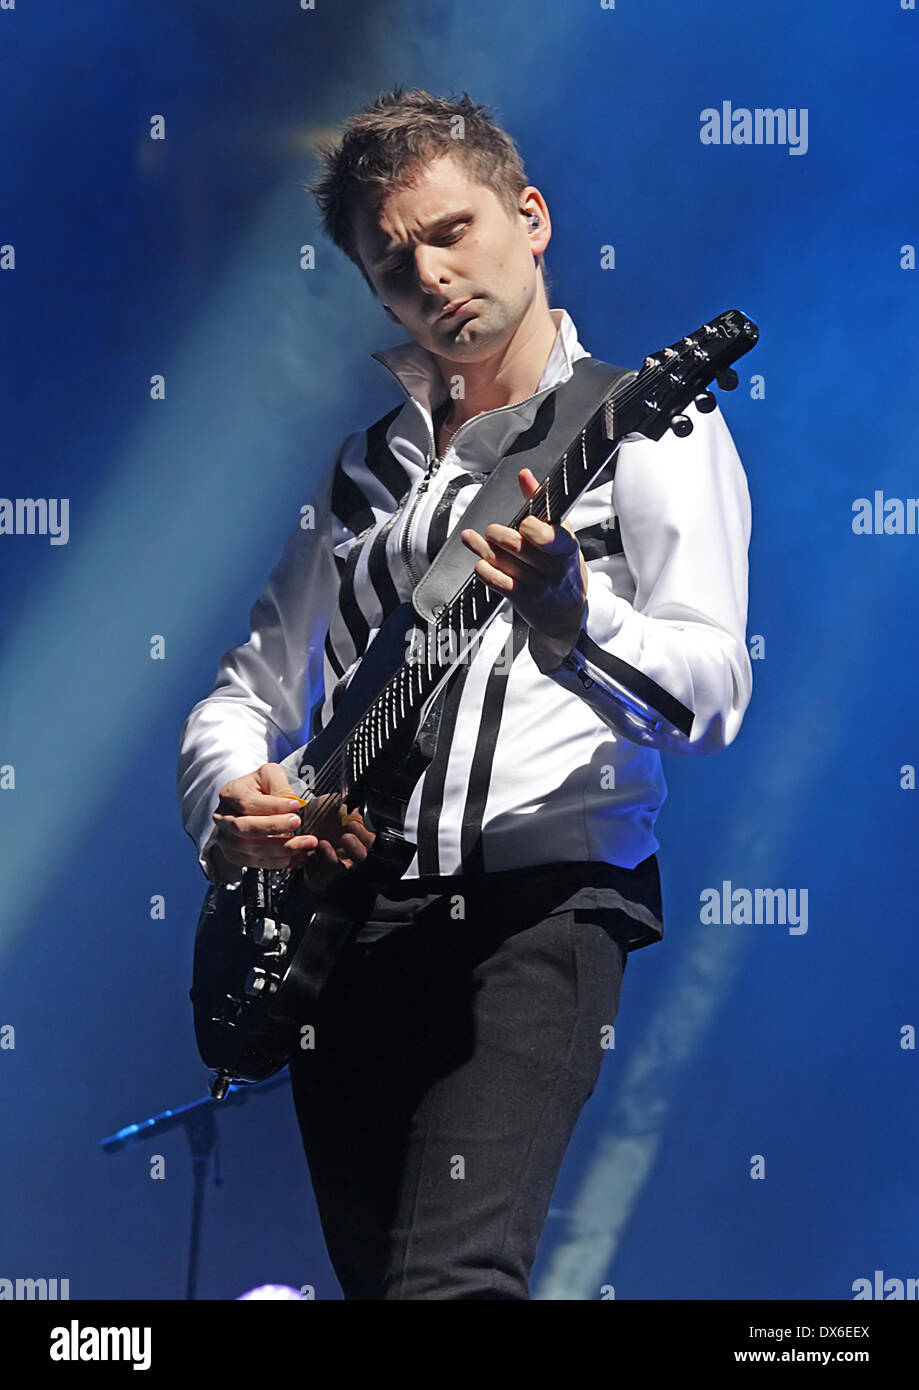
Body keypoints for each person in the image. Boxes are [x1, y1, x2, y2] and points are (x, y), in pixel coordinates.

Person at [176, 87, 753, 1300]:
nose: (431, 274)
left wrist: (573, 615)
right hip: (340, 930)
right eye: (394, 262)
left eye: (452, 231)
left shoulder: (648, 427)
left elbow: (712, 692)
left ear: (529, 217)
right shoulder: (360, 471)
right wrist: (233, 797)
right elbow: (243, 690)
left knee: (453, 1284)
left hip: (537, 915)